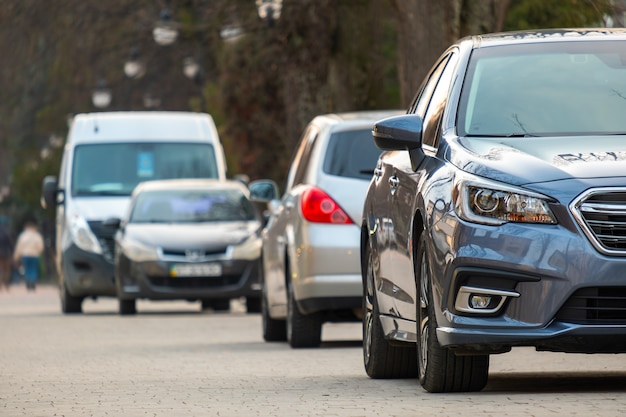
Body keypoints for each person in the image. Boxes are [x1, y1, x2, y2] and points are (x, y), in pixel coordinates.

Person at [13, 217, 44, 291]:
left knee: (27, 269)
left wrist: (16, 256)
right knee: (33, 269)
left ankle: (28, 282)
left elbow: (19, 246)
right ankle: (33, 281)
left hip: (25, 255)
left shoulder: (23, 235)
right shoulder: (37, 235)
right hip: (34, 255)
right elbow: (41, 246)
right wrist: (39, 252)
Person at [0, 216, 13, 291]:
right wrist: (12, 252)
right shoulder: (8, 231)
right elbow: (11, 244)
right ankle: (7, 284)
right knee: (7, 269)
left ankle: (0, 285)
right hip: (6, 253)